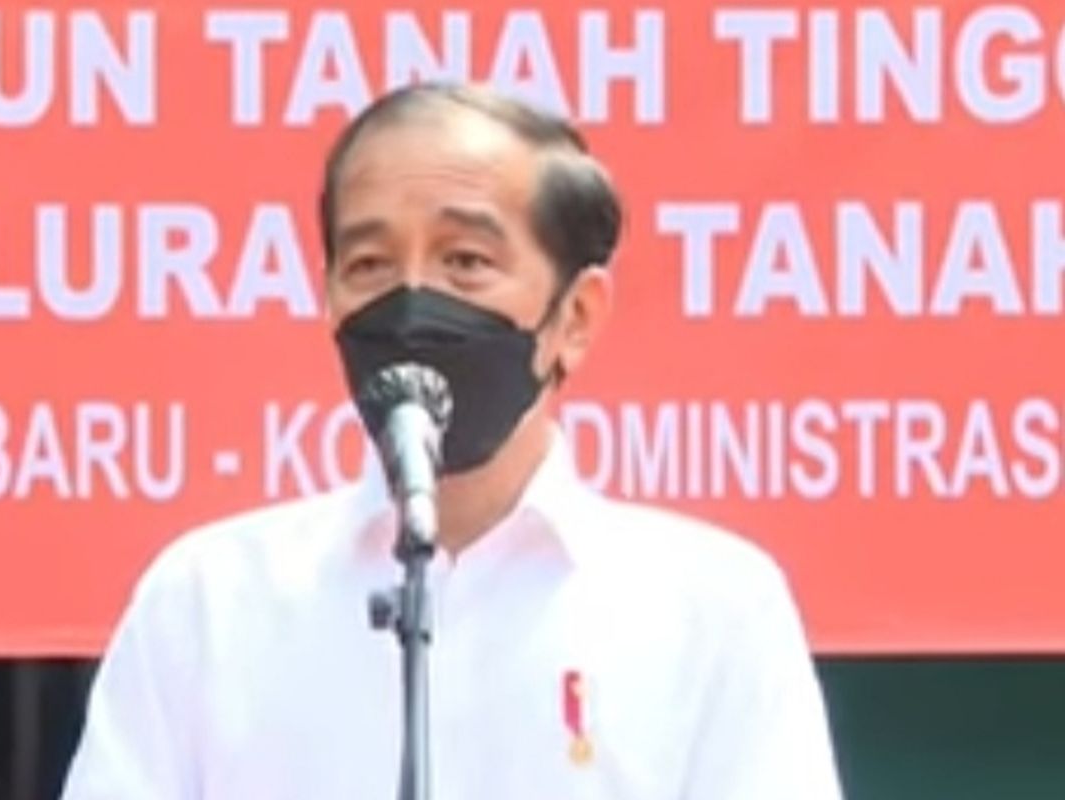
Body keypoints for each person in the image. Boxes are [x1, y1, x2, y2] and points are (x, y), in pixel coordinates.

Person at [60, 82, 843, 799]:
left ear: (574, 317)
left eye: (466, 262)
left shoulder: (710, 607)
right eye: (368, 265)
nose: (411, 303)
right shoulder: (209, 600)